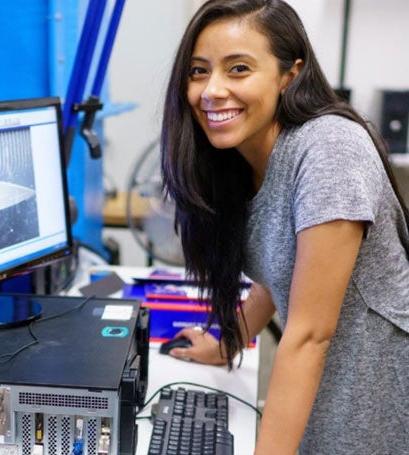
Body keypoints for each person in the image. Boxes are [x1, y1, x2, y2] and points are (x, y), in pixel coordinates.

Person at [159, 0, 409, 454]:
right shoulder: (244, 157)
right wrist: (225, 344)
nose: (211, 90)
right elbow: (282, 278)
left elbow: (311, 335)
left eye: (238, 69)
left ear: (288, 75)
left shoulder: (329, 149)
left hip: (382, 393)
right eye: (199, 71)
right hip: (330, 386)